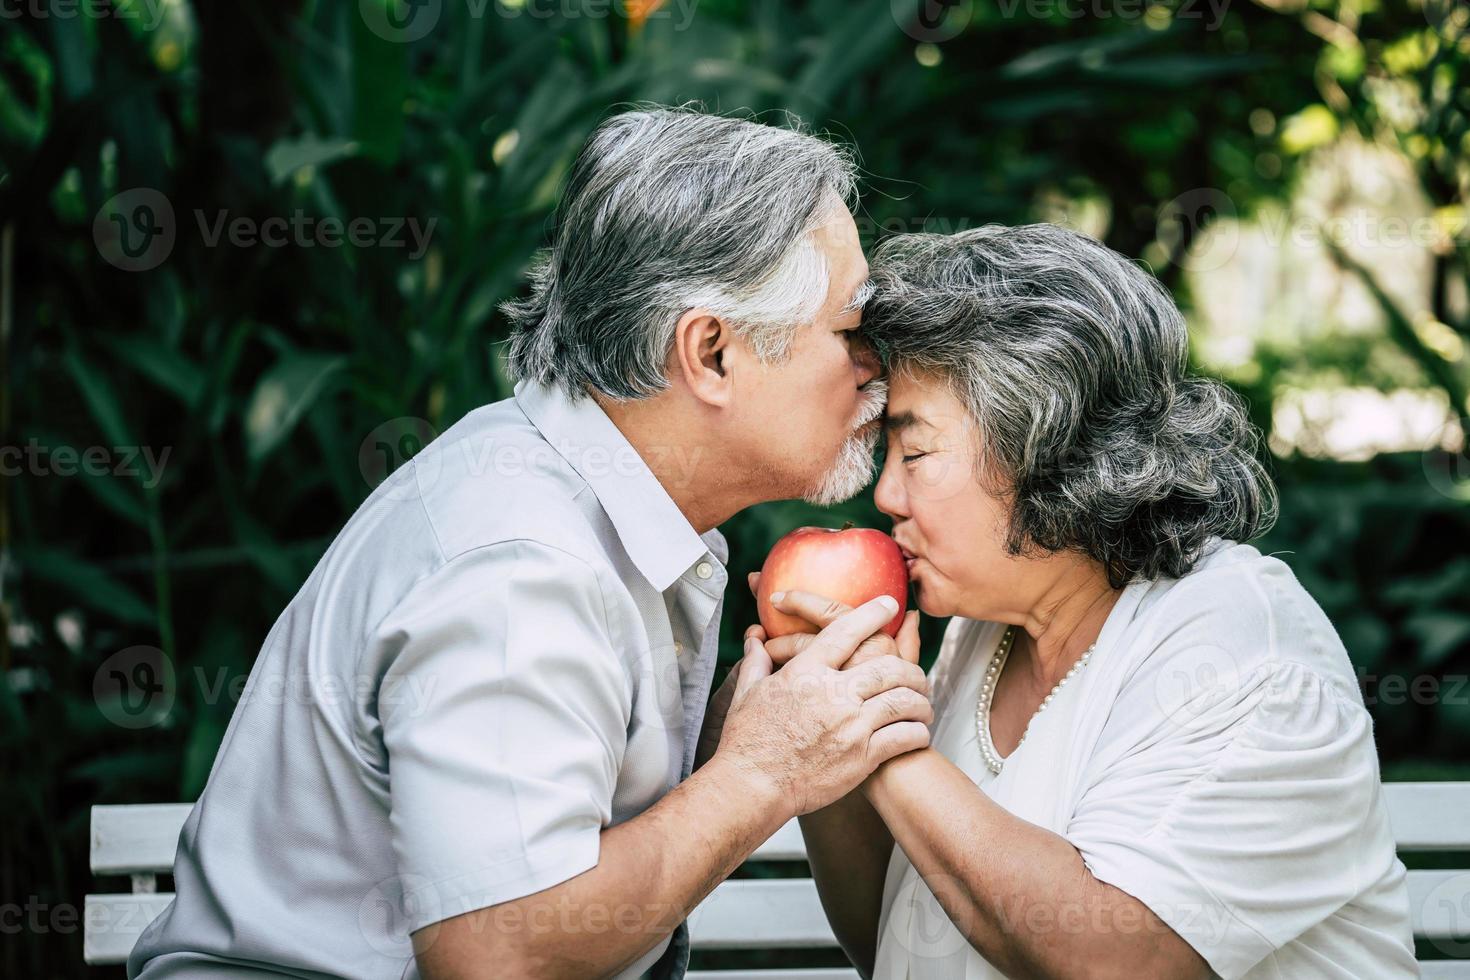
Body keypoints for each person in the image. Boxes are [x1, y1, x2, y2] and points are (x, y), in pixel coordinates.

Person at [127, 107, 932, 980]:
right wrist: (762, 772)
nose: (875, 368)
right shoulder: (523, 562)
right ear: (710, 353)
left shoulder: (593, 498)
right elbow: (496, 955)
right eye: (851, 331)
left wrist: (749, 724)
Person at [748, 224, 1417, 979]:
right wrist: (832, 728)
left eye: (918, 452)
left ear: (1048, 447)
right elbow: (898, 937)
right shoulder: (986, 626)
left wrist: (877, 733)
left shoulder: (1240, 643)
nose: (885, 494)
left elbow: (1112, 963)